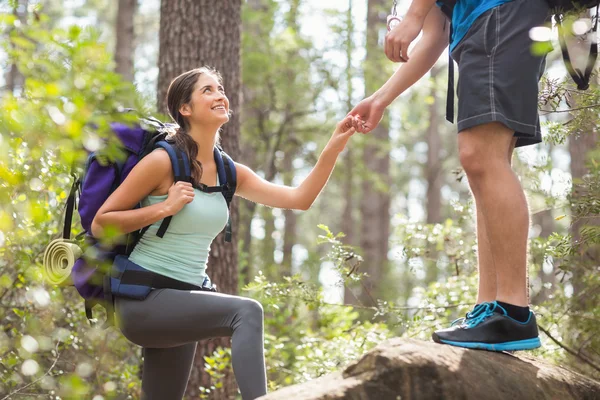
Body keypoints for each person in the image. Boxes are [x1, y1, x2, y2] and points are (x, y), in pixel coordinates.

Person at [91, 67, 357, 400]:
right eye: (208, 90)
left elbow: (299, 199)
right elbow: (102, 224)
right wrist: (164, 207)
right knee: (247, 311)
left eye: (221, 88)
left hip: (184, 298)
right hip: (143, 299)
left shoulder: (230, 172)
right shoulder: (162, 161)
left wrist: (333, 146)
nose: (220, 95)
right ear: (185, 109)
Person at [350, 0, 548, 351]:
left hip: (500, 15)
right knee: (485, 166)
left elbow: (425, 25)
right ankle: (491, 307)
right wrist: (381, 98)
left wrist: (411, 15)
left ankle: (514, 312)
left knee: (481, 156)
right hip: (486, 27)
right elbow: (437, 33)